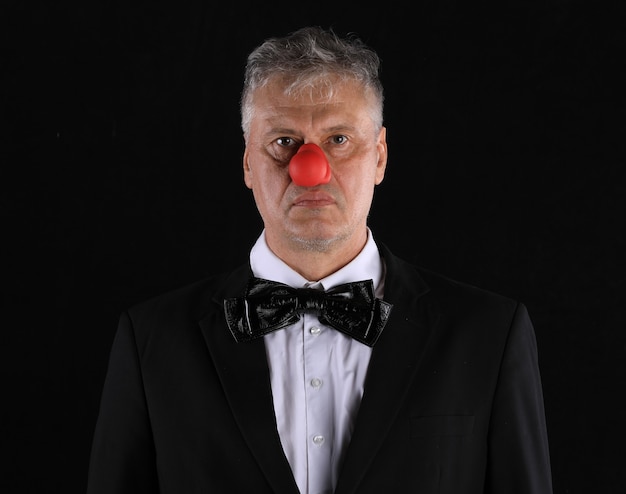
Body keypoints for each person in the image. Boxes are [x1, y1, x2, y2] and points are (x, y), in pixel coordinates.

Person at [87, 26, 553, 493]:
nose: (311, 169)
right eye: (284, 142)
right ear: (248, 162)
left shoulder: (488, 334)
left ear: (380, 157)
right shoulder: (152, 341)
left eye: (339, 139)